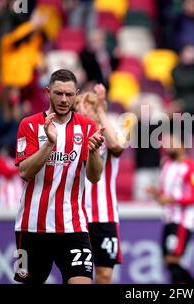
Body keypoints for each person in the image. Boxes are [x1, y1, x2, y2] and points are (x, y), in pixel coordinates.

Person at [13, 69, 105, 284]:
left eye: (69, 94)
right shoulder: (29, 124)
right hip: (32, 227)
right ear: (48, 92)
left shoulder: (87, 126)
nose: (64, 99)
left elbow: (94, 177)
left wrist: (93, 154)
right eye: (58, 93)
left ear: (76, 94)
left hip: (73, 226)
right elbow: (25, 171)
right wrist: (50, 144)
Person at [75, 84, 123, 284]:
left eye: (90, 107)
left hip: (105, 216)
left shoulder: (110, 133)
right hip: (77, 218)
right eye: (80, 106)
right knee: (79, 277)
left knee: (104, 275)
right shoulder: (72, 137)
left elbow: (117, 147)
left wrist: (102, 111)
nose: (85, 110)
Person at [147, 132, 194, 284]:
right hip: (168, 219)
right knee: (170, 262)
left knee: (172, 260)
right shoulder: (166, 164)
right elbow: (164, 194)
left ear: (183, 146)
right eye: (166, 143)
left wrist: (171, 199)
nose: (167, 146)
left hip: (182, 221)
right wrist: (156, 194)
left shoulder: (192, 168)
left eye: (172, 143)